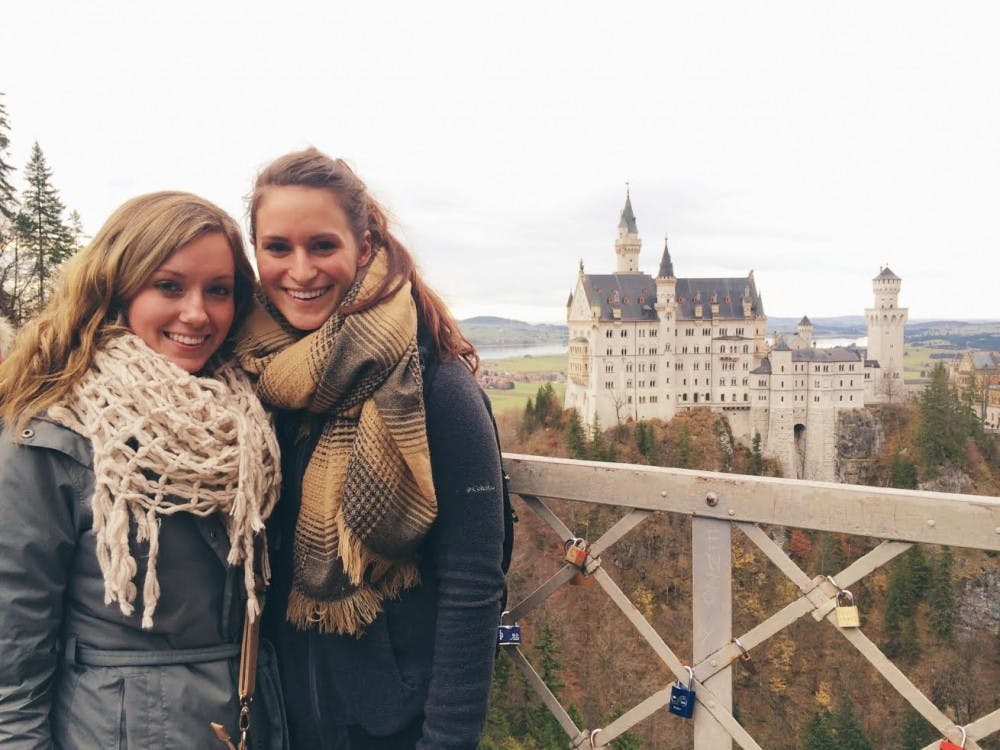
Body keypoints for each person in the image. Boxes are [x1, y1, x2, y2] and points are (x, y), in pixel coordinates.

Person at [235, 148, 506, 749]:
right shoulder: (255, 373)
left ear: (363, 245)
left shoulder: (434, 385)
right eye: (278, 247)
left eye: (322, 246)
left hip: (389, 728)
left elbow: (473, 587)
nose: (300, 270)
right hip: (278, 719)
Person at [0, 192, 285, 749]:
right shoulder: (52, 437)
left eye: (219, 291)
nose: (197, 313)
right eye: (169, 286)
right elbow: (11, 669)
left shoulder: (252, 416)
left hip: (248, 721)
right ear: (118, 287)